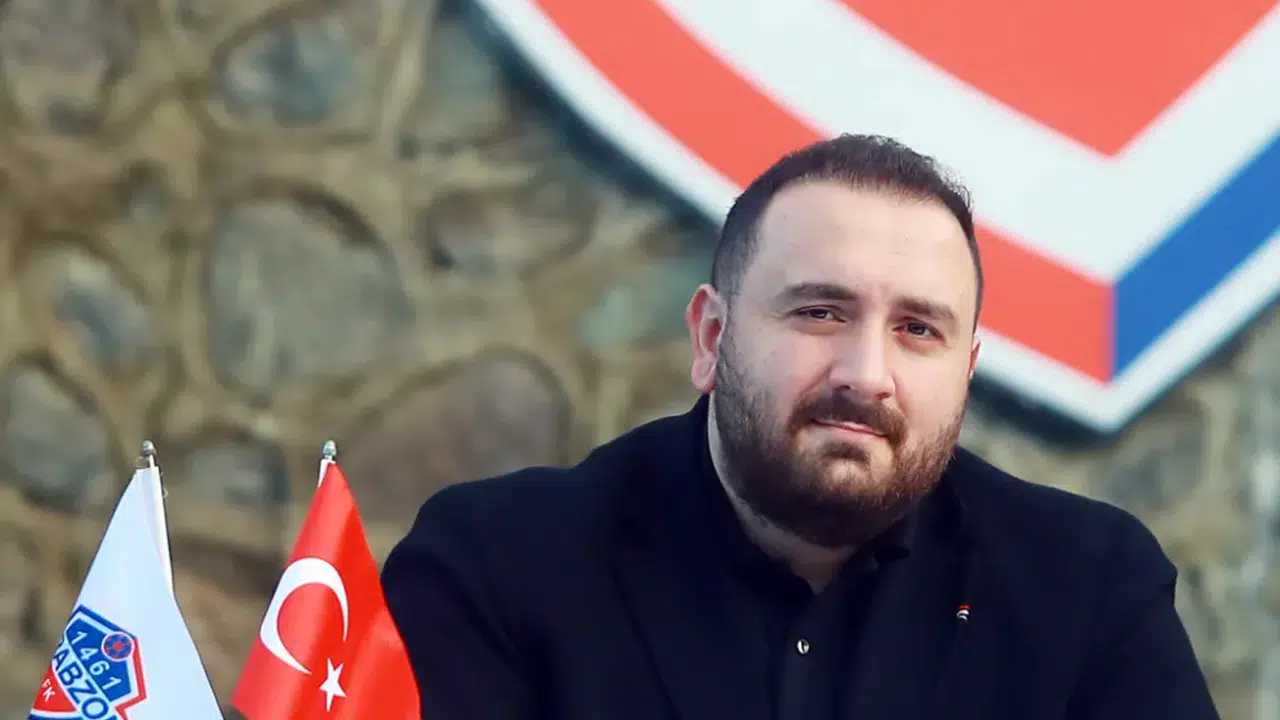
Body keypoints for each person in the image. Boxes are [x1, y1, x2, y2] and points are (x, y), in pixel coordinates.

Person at [381, 134, 1221, 719]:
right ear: (711, 337)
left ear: (965, 372)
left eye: (918, 329)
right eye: (820, 312)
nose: (866, 373)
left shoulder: (1089, 590)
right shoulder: (495, 566)